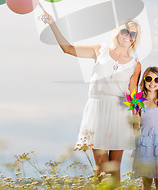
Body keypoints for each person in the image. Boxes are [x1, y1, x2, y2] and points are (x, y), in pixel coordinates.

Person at [41, 12, 142, 184]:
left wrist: (137, 121)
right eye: (126, 31)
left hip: (120, 112)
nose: (129, 36)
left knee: (115, 168)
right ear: (118, 32)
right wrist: (52, 24)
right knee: (101, 168)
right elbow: (68, 49)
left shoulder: (135, 63)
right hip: (97, 109)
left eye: (133, 34)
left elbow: (133, 95)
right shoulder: (100, 50)